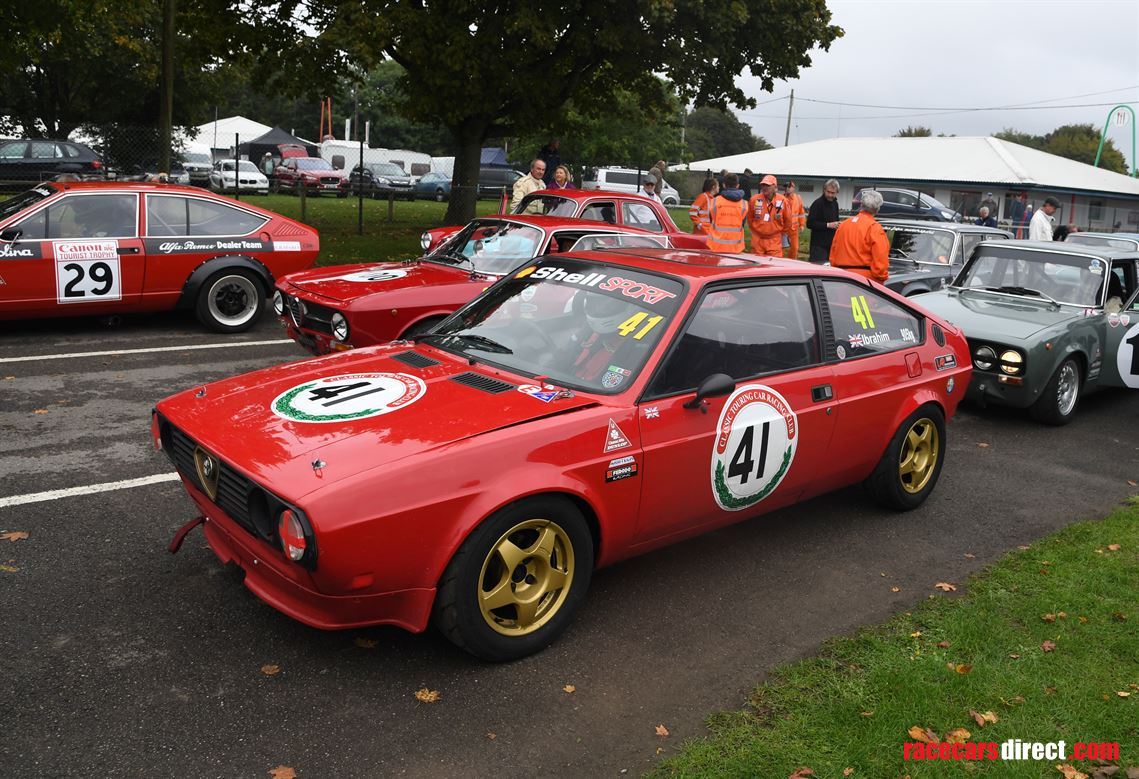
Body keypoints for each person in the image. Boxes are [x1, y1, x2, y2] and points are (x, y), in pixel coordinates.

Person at [830, 189, 889, 283]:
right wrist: (881, 277)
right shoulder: (874, 228)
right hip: (863, 282)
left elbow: (833, 252)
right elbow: (880, 260)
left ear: (861, 205)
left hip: (841, 278)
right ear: (877, 209)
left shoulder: (844, 225)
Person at [747, 174, 793, 256]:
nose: (764, 187)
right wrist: (756, 232)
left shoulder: (783, 201)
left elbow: (788, 221)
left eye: (767, 185)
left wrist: (779, 233)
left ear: (774, 187)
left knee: (773, 266)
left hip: (774, 241)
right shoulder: (754, 200)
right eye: (763, 185)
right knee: (757, 267)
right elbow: (750, 219)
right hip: (758, 240)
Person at [706, 173, 748, 252]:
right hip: (736, 248)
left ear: (724, 185)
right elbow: (742, 224)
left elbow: (711, 220)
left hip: (716, 246)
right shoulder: (744, 204)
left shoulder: (715, 201)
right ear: (738, 185)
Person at [806, 179, 841, 263]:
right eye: (828, 192)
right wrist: (828, 225)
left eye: (833, 193)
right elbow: (810, 223)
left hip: (831, 245)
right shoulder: (817, 204)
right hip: (818, 246)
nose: (830, 195)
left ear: (837, 192)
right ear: (824, 190)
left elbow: (836, 221)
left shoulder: (835, 204)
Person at [782, 180, 806, 260]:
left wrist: (802, 224)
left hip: (794, 229)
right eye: (786, 187)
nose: (787, 189)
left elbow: (801, 213)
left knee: (794, 248)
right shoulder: (780, 198)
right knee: (782, 249)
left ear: (793, 188)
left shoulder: (798, 198)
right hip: (783, 229)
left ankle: (791, 264)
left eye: (789, 187)